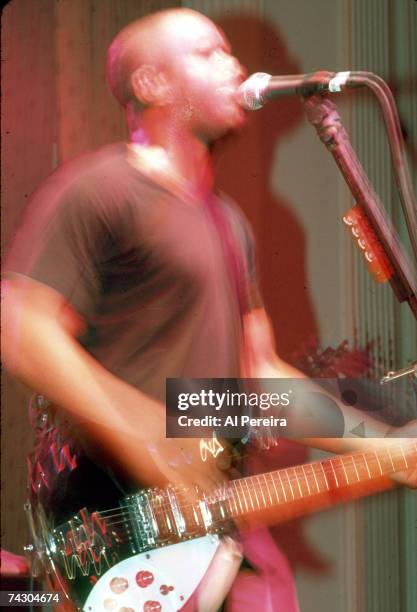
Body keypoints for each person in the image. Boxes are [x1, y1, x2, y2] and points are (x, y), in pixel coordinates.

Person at [2, 7, 415, 611]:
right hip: (114, 523)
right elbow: (20, 325)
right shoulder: (100, 189)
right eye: (209, 53)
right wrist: (142, 430)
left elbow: (260, 379)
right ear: (152, 84)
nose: (235, 67)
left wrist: (387, 449)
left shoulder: (229, 225)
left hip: (209, 530)